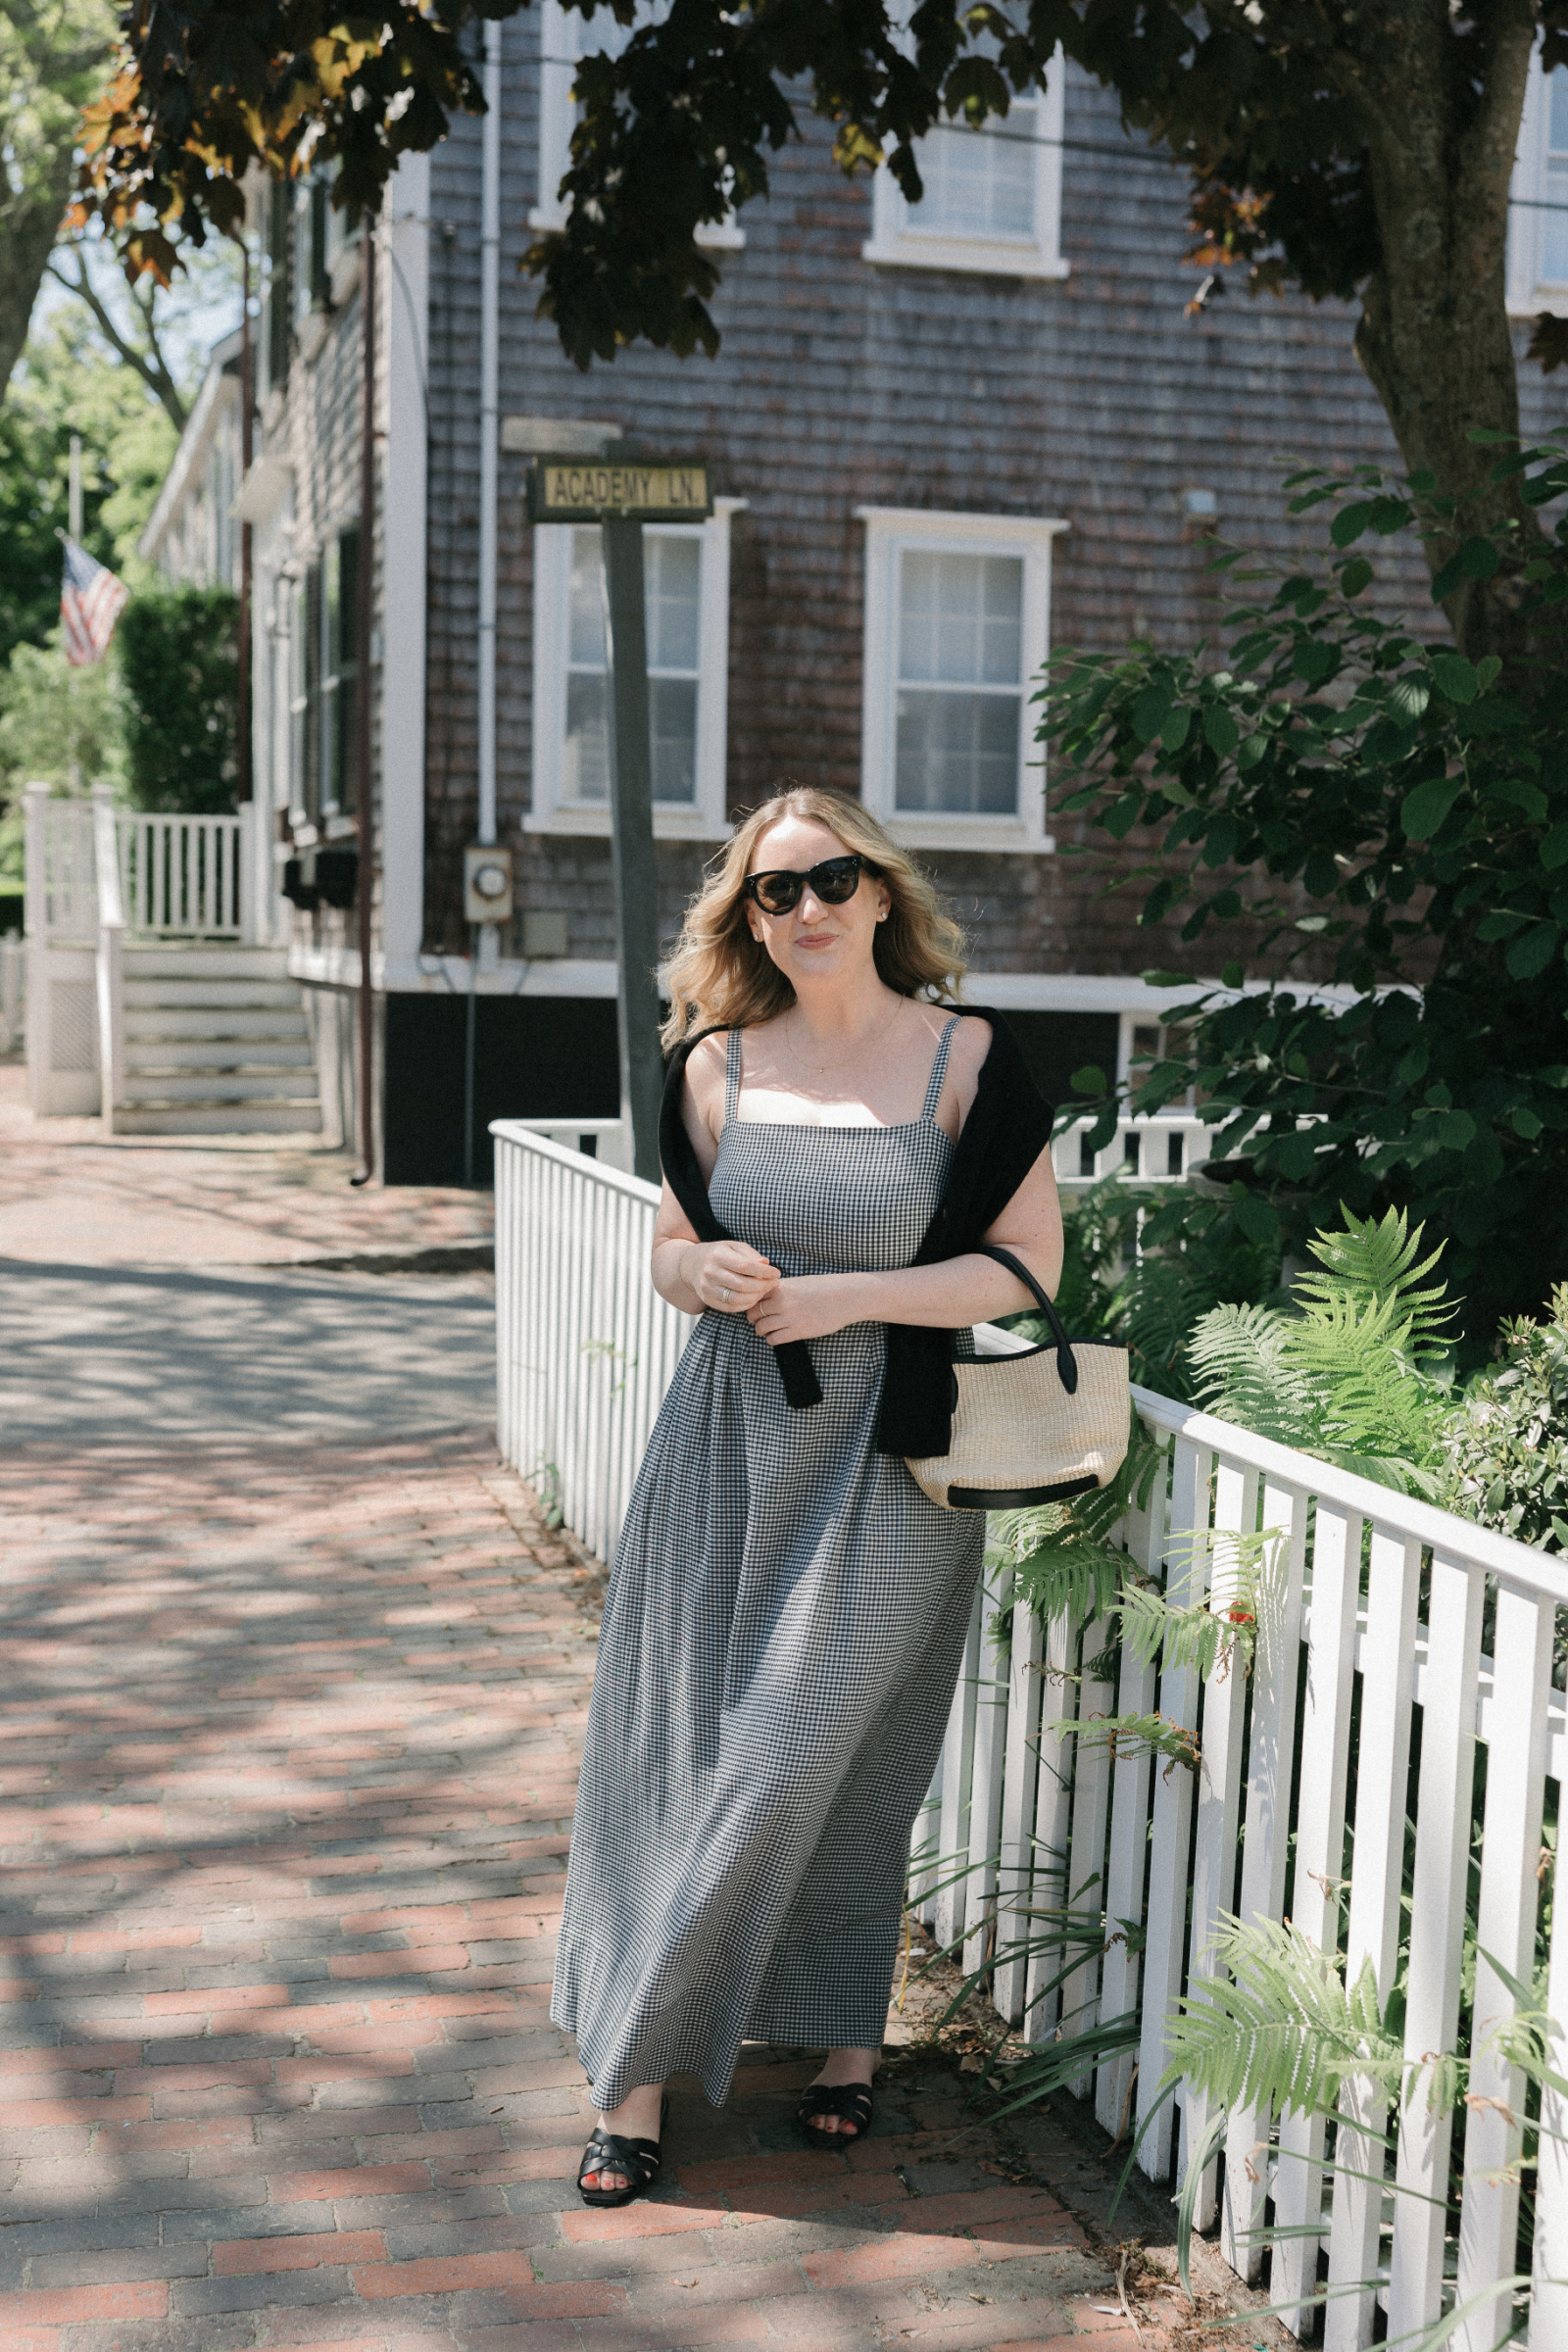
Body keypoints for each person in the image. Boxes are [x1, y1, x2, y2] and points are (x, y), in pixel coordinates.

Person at [551, 786, 1063, 2203]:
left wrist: (845, 1296)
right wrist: (695, 1271)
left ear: (882, 893)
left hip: (893, 1468)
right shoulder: (714, 1066)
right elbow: (669, 1244)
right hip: (724, 1457)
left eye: (832, 879)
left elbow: (1027, 1270)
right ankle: (636, 2073)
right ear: (749, 919)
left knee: (816, 1764)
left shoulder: (966, 1059)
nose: (808, 908)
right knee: (673, 1754)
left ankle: (833, 2026)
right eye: (774, 892)